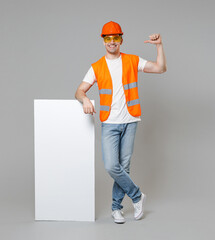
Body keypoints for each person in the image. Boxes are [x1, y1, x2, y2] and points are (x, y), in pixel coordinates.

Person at [75, 21, 167, 224]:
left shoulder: (133, 60)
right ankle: (137, 196)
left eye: (115, 38)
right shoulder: (96, 67)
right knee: (111, 165)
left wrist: (159, 46)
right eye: (108, 38)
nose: (112, 42)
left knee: (124, 167)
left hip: (131, 120)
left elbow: (161, 68)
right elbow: (79, 91)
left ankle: (116, 208)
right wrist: (85, 99)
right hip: (109, 122)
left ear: (121, 40)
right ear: (103, 42)